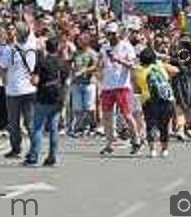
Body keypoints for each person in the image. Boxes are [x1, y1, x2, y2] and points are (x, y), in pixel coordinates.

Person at [23, 37, 70, 166]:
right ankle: (52, 156)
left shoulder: (42, 62)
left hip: (43, 97)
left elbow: (35, 81)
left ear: (47, 48)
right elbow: (65, 82)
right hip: (57, 98)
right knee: (54, 128)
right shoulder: (63, 63)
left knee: (38, 128)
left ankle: (34, 155)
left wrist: (32, 79)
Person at [97, 22, 142, 156]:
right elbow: (100, 64)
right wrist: (99, 66)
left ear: (118, 34)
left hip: (122, 86)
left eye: (113, 34)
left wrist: (119, 60)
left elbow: (134, 65)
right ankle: (109, 143)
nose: (110, 37)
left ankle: (136, 140)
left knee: (127, 115)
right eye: (108, 34)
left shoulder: (126, 46)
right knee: (106, 116)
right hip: (107, 86)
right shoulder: (104, 47)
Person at [0, 22, 38, 158]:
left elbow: (2, 68)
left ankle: (16, 148)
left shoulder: (10, 50)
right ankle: (34, 148)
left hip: (14, 90)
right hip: (29, 89)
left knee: (14, 123)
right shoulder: (33, 47)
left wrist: (4, 81)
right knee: (30, 122)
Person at [137, 46, 178, 158]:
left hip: (149, 101)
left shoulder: (140, 70)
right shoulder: (160, 66)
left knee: (150, 125)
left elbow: (137, 87)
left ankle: (152, 150)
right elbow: (176, 70)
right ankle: (164, 150)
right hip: (166, 99)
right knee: (164, 126)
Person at [69, 32, 98, 136]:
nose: (78, 41)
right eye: (78, 40)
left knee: (90, 107)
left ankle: (93, 126)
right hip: (76, 83)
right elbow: (69, 62)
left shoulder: (92, 53)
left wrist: (84, 70)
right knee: (78, 108)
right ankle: (79, 128)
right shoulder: (76, 53)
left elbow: (95, 66)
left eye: (81, 40)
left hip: (89, 83)